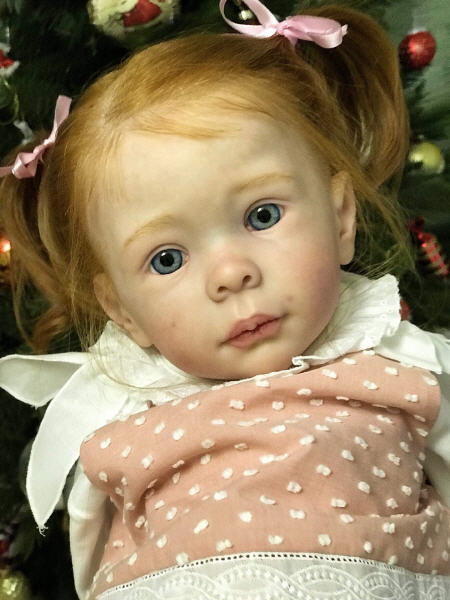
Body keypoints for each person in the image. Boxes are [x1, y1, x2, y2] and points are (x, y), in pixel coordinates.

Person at [1, 0, 449, 598]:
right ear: (123, 311)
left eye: (262, 215)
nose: (231, 274)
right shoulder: (123, 410)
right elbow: (91, 545)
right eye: (167, 259)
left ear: (341, 216)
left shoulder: (401, 366)